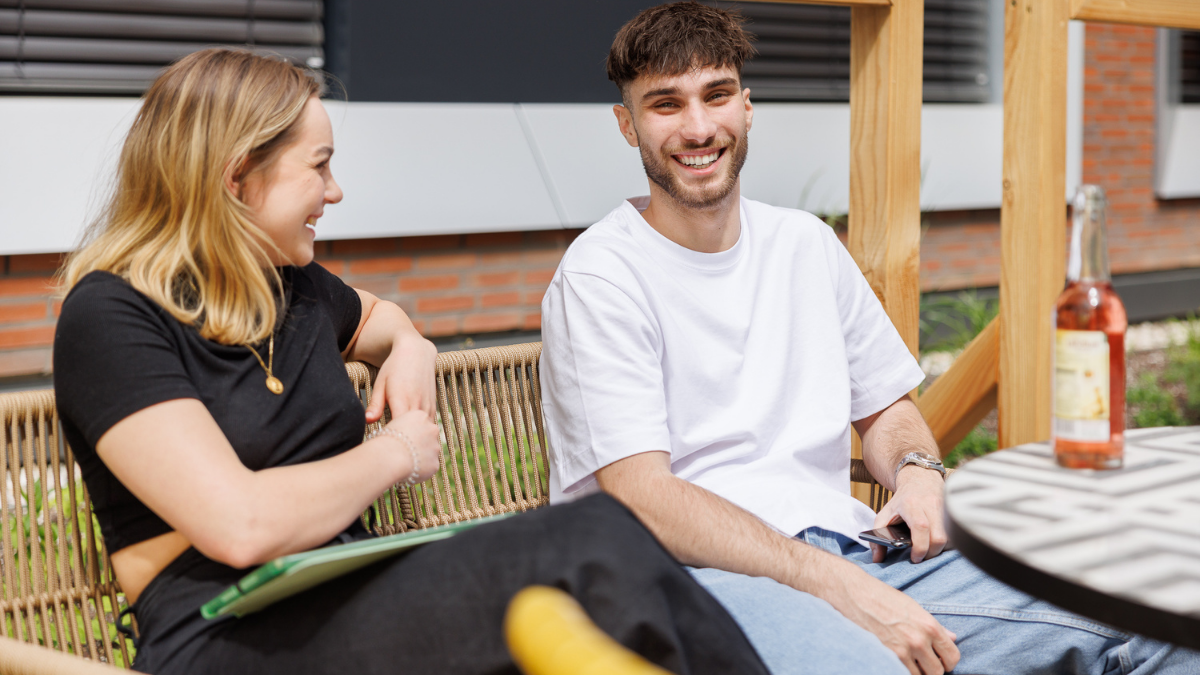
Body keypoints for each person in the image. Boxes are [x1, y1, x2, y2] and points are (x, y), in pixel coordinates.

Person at [52, 48, 771, 675]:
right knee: (590, 542)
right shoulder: (112, 317)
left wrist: (410, 346)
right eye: (320, 167)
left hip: (347, 596)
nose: (334, 193)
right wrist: (396, 451)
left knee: (596, 568)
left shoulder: (290, 285)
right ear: (239, 177)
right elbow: (239, 524)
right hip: (221, 635)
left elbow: (383, 319)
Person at [537, 4, 1200, 675]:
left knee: (1160, 612)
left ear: (747, 106)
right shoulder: (601, 277)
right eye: (665, 105)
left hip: (864, 559)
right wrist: (831, 583)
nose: (699, 126)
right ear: (627, 125)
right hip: (691, 584)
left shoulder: (803, 246)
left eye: (716, 95)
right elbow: (641, 495)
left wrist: (917, 473)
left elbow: (889, 408)